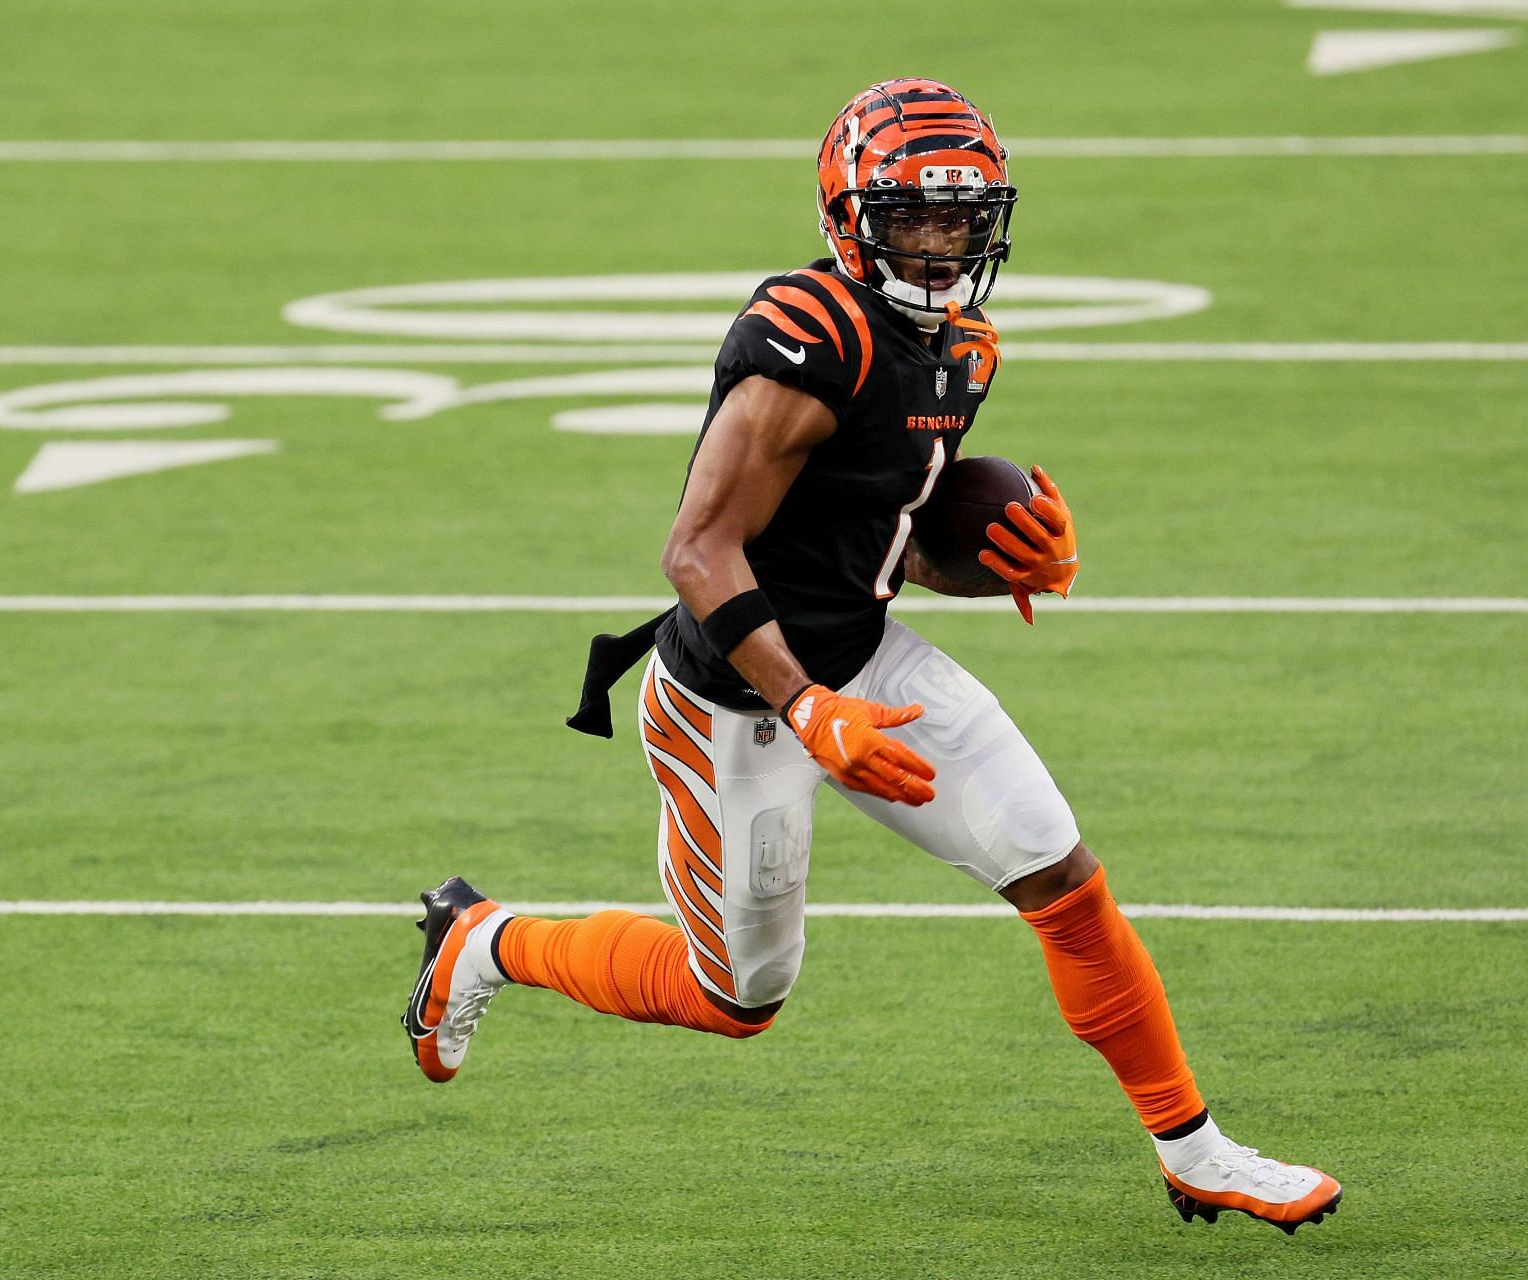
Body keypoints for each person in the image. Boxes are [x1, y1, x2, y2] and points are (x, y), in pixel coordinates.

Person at [401, 78, 1340, 1232]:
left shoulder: (967, 345)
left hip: (861, 657)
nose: (940, 244)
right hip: (734, 695)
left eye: (961, 219)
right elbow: (698, 549)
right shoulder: (811, 339)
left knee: (1062, 874)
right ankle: (486, 941)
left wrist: (1006, 562)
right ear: (852, 216)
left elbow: (880, 535)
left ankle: (1196, 1146)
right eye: (911, 217)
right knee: (738, 995)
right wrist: (805, 706)